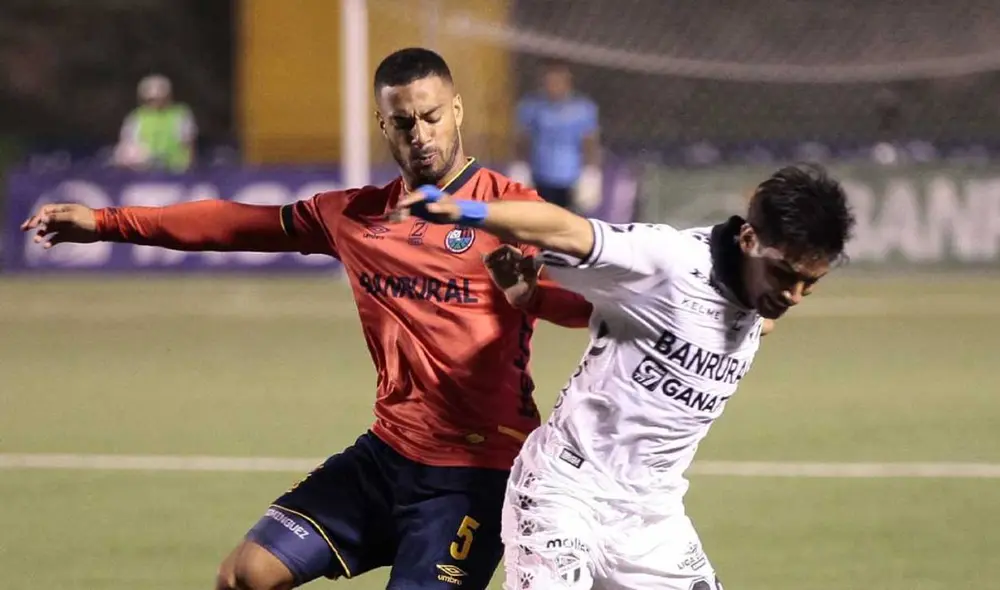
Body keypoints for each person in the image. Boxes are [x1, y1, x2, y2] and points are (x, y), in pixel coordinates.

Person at [21, 48, 593, 590]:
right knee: (245, 574)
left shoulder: (514, 212)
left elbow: (590, 305)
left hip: (475, 473)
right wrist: (106, 220)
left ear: (458, 110)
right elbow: (237, 224)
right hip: (386, 455)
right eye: (403, 123)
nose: (420, 135)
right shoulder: (355, 215)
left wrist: (533, 296)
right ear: (383, 124)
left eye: (432, 116)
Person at [393, 163, 855, 590]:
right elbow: (569, 230)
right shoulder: (669, 260)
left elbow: (656, 324)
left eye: (809, 283)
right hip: (565, 496)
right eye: (784, 276)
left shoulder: (760, 300)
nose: (794, 295)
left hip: (652, 519)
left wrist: (535, 299)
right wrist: (465, 210)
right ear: (750, 240)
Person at [509, 61, 602, 214]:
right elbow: (523, 140)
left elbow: (589, 142)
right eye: (550, 81)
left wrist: (591, 172)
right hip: (540, 174)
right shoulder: (531, 107)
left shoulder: (583, 109)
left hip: (571, 177)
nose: (553, 86)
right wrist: (520, 167)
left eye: (558, 81)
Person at [112, 74, 198, 172]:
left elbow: (189, 143)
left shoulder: (180, 114)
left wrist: (189, 167)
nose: (155, 103)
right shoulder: (137, 117)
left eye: (160, 98)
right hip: (144, 171)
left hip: (176, 170)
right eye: (151, 99)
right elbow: (126, 144)